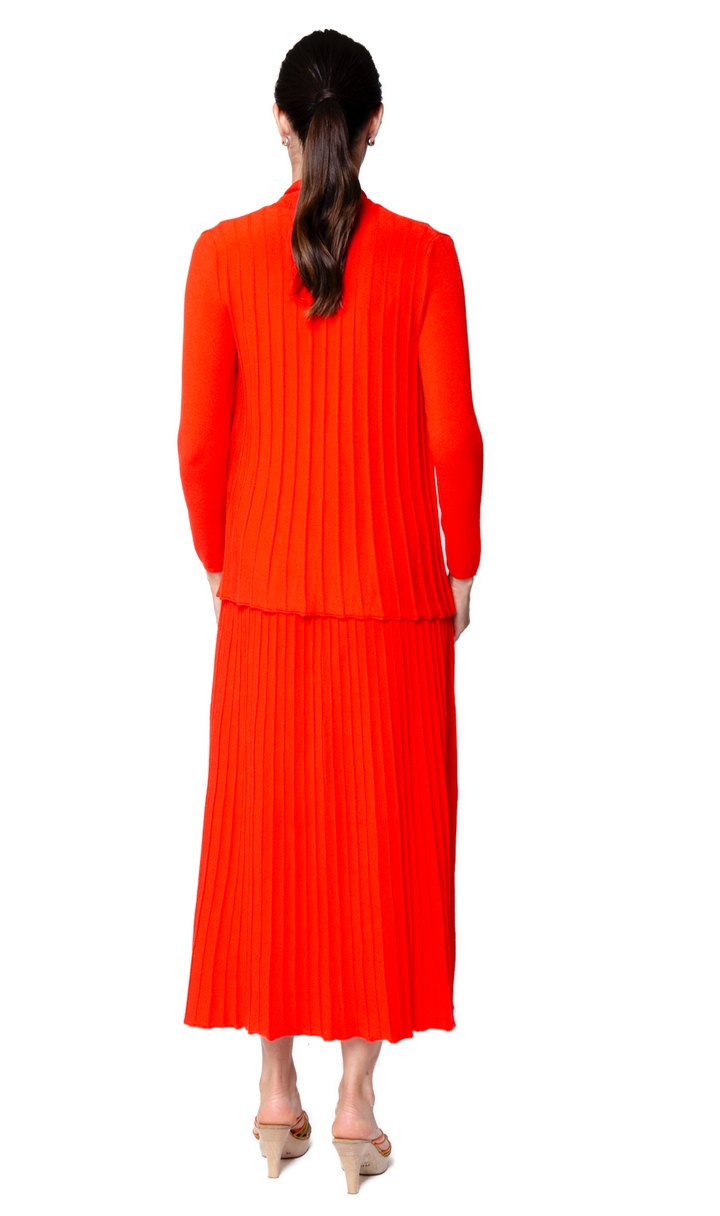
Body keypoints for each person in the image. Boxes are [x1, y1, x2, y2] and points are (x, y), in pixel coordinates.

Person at [176, 27, 484, 1194]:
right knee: (383, 840)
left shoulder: (218, 255)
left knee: (268, 835)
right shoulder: (429, 256)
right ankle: (356, 1103)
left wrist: (221, 558)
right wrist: (465, 562)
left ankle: (271, 1092)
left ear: (276, 123)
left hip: (265, 594)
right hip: (396, 595)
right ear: (377, 127)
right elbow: (455, 435)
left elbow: (198, 440)